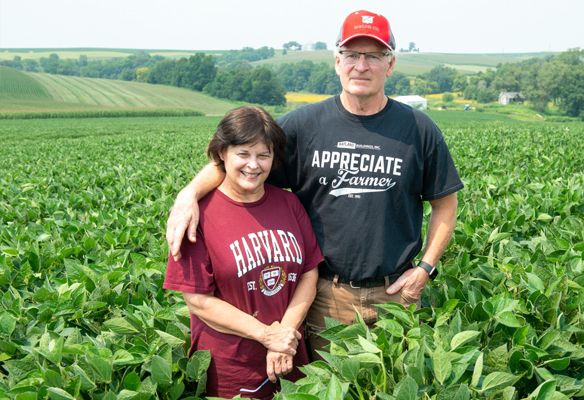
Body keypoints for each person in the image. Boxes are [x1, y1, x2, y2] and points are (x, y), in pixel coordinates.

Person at [167, 10, 463, 357]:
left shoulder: (418, 129)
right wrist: (189, 195)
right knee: (327, 384)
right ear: (337, 61)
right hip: (325, 294)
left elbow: (445, 204)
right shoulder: (302, 126)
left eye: (373, 56)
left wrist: (425, 269)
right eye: (352, 55)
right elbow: (240, 162)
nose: (361, 66)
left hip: (396, 292)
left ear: (390, 64)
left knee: (396, 383)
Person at [163, 106, 323, 399]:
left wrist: (284, 336)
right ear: (222, 153)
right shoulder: (198, 214)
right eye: (243, 153)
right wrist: (267, 336)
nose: (254, 165)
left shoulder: (289, 204)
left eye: (264, 155)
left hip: (290, 356)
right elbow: (198, 301)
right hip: (231, 366)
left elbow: (309, 274)